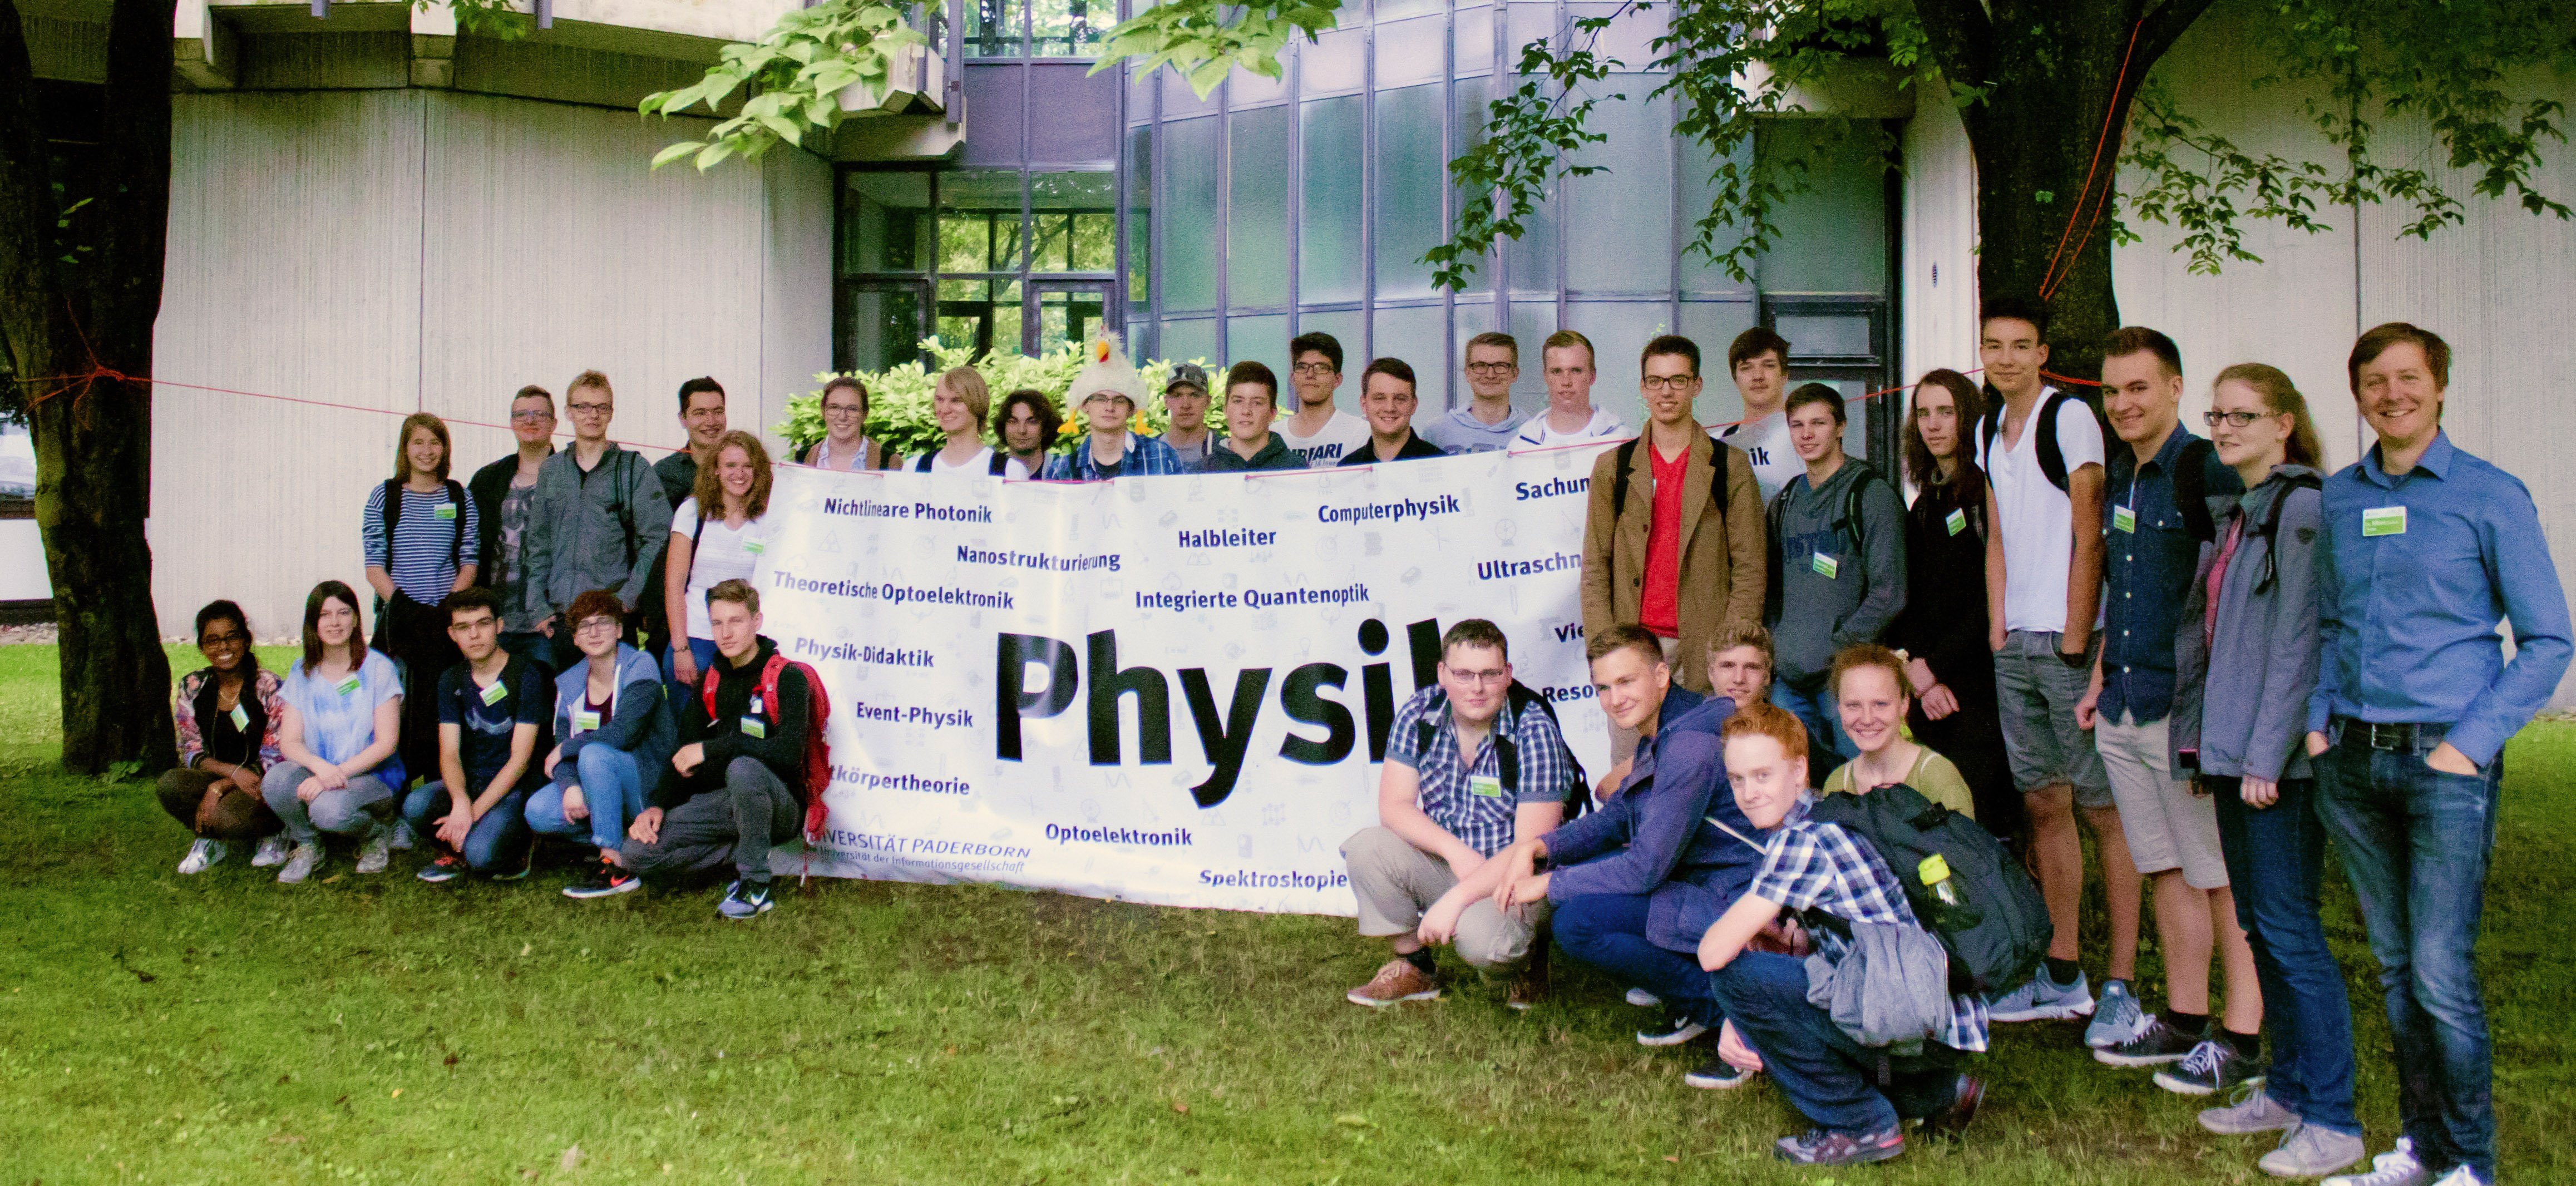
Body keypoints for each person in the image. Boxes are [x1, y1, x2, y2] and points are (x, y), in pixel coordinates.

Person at [2306, 324, 2570, 1186]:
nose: (2392, 395)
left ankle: (2470, 1165)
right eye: (2373, 381)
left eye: (2408, 378)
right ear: (2356, 395)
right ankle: (2420, 1151)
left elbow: (2547, 640)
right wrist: (2316, 722)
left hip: (2443, 764)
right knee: (2393, 968)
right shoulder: (2338, 499)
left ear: (2440, 386)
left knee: (2437, 970)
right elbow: (2329, 622)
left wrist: (2469, 746)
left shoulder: (2489, 496)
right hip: (2351, 762)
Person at [2168, 364, 2362, 1178]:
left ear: (2284, 423)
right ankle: (2286, 1090)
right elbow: (2214, 641)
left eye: (2242, 414)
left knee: (2289, 932)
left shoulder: (2302, 506)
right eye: (2216, 414)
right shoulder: (2245, 508)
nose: (2223, 427)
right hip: (2232, 755)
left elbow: (2298, 641)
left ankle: (2333, 1119)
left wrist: (2265, 755)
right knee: (2259, 929)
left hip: (2272, 766)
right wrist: (2201, 747)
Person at [2076, 327, 2262, 1075]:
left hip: (2186, 709)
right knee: (2164, 868)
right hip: (2123, 700)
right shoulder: (2122, 473)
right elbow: (2122, 589)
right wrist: (2098, 675)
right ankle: (2184, 1021)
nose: (2122, 404)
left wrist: (2221, 711)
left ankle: (2241, 1039)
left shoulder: (2208, 469)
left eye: (2138, 388)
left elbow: (2239, 596)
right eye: (2111, 391)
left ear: (2176, 387)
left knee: (2218, 874)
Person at [1697, 701, 1988, 1167]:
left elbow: (1713, 953)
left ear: (1798, 770)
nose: (1748, 793)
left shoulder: (1802, 840)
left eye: (1762, 775)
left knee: (1735, 979)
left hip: (1911, 1016)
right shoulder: (1827, 813)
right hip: (1932, 1014)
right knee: (1772, 962)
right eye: (1737, 779)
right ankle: (1938, 1092)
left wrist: (1737, 1018)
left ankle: (1858, 1125)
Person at [1487, 626, 1768, 1090]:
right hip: (1696, 885)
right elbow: (1618, 816)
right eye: (1603, 687)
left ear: (1661, 676)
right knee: (1579, 899)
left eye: (1626, 682)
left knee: (1577, 923)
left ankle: (1734, 1016)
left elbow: (1644, 868)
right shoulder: (1664, 729)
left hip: (1734, 901)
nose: (1614, 699)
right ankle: (1699, 998)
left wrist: (1549, 882)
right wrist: (1538, 848)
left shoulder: (1689, 745)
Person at [1974, 295, 2126, 1027]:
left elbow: (2090, 532)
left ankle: (2121, 982)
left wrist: (2074, 633)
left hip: (2068, 642)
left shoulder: (2068, 417)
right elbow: (1997, 535)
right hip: (2016, 643)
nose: (2005, 358)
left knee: (2103, 810)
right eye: (1993, 345)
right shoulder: (1986, 427)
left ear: (2041, 353)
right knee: (2043, 804)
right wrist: (1997, 629)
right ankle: (2063, 972)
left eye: (2020, 345)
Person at [1340, 620, 1574, 1008]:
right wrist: (1456, 853)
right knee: (1368, 849)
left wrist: (1456, 900)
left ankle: (1527, 958)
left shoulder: (1534, 729)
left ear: (1508, 674)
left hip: (1514, 878)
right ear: (1442, 674)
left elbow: (1531, 849)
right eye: (1464, 674)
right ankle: (1415, 966)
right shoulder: (1420, 712)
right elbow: (1394, 807)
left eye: (1489, 674)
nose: (1477, 687)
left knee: (1485, 945)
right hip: (1452, 863)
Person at [1580, 334, 1765, 762]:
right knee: (1632, 773)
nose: (1666, 392)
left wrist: (1731, 651)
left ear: (1697, 385)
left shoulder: (1730, 466)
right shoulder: (1614, 467)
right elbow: (1595, 567)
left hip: (1705, 645)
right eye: (1656, 381)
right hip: (1634, 647)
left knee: (1706, 767)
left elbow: (1751, 568)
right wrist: (1606, 649)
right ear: (1643, 388)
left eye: (1678, 380)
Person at [624, 579, 820, 920]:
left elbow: (788, 755)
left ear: (757, 622)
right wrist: (657, 805)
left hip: (778, 804)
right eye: (717, 623)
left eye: (736, 621)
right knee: (636, 854)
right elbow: (683, 751)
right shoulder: (712, 679)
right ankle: (746, 854)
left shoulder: (787, 677)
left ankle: (755, 885)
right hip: (726, 804)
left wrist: (713, 749)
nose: (725, 634)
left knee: (743, 767)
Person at [1888, 369, 2022, 840]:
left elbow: (1997, 595)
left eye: (1946, 412)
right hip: (1932, 690)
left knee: (1985, 822)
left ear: (1968, 418)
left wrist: (1936, 667)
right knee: (1942, 825)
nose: (1933, 424)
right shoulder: (1925, 505)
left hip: (1984, 684)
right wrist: (1918, 672)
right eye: (1924, 413)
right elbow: (1913, 601)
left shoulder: (1988, 493)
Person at [1763, 383, 1906, 774]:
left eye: (1818, 423)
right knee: (1797, 784)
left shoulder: (1869, 495)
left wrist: (1839, 646)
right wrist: (1778, 643)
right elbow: (1772, 589)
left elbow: (1890, 593)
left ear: (1841, 426)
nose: (1806, 435)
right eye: (1797, 425)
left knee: (1863, 780)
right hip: (1789, 683)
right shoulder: (1786, 501)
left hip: (1846, 680)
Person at [522, 370, 674, 674]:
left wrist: (628, 598)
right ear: (568, 412)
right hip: (564, 618)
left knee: (613, 697)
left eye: (601, 407)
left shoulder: (632, 469)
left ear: (611, 413)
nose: (593, 415)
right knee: (568, 698)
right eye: (583, 407)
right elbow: (538, 544)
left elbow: (658, 538)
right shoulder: (552, 471)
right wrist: (537, 605)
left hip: (612, 617)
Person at [526, 589, 675, 901]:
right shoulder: (569, 683)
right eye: (584, 626)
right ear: (575, 639)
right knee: (538, 811)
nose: (594, 632)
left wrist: (566, 749)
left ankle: (615, 863)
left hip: (645, 785)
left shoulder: (640, 665)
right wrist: (570, 786)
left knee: (594, 754)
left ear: (619, 630)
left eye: (604, 623)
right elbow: (561, 747)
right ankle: (621, 837)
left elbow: (624, 734)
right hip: (599, 787)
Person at [404, 587, 554, 883]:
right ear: (452, 634)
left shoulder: (525, 675)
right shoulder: (451, 679)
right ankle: (460, 838)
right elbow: (449, 753)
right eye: (463, 627)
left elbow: (520, 761)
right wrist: (461, 801)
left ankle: (521, 843)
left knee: (481, 855)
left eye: (483, 624)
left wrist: (470, 815)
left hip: (514, 788)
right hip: (471, 781)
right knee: (415, 806)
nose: (474, 635)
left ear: (499, 626)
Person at [261, 581, 406, 885]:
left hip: (373, 776)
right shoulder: (302, 671)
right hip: (322, 771)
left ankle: (376, 832)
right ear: (313, 623)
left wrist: (335, 774)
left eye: (343, 612)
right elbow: (289, 742)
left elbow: (387, 743)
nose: (335, 622)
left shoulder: (379, 668)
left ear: (356, 619)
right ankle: (309, 843)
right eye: (325, 615)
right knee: (276, 781)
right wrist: (321, 769)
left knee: (329, 810)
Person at [363, 411, 478, 790]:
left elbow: (470, 559)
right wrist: (406, 608)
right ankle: (391, 797)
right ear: (405, 448)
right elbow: (374, 565)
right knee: (395, 711)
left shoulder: (459, 496)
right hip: (401, 624)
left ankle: (437, 794)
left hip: (445, 623)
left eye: (435, 442)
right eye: (418, 443)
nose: (427, 451)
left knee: (441, 711)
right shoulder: (386, 496)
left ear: (445, 448)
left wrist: (448, 608)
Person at [160, 600, 289, 874]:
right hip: (222, 775)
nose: (224, 647)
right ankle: (210, 839)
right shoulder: (193, 686)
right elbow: (191, 750)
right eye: (213, 640)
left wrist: (220, 787)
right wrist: (229, 775)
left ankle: (277, 831)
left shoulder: (269, 686)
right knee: (170, 785)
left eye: (232, 637)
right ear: (202, 647)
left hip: (263, 781)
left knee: (229, 818)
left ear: (246, 640)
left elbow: (276, 756)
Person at [664, 431, 774, 694]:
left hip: (746, 644)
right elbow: (674, 585)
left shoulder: (769, 518)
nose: (740, 474)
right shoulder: (693, 512)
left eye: (748, 466)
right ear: (715, 469)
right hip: (697, 640)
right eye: (730, 465)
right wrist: (681, 649)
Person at [1820, 644, 1975, 818]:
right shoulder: (1838, 784)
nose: (1867, 719)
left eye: (1880, 704)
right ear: (1839, 708)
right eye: (1853, 705)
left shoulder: (1936, 777)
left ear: (1904, 704)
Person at [468, 385, 557, 664]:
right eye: (521, 414)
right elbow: (469, 545)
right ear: (511, 422)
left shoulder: (570, 478)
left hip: (547, 623)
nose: (530, 420)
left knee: (544, 689)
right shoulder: (488, 479)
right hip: (496, 623)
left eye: (539, 414)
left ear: (554, 424)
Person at [647, 376, 729, 664]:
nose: (711, 421)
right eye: (700, 413)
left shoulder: (742, 471)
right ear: (683, 419)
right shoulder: (664, 474)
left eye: (718, 411)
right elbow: (651, 544)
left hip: (731, 598)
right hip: (677, 603)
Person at [1040, 337, 1186, 480]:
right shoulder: (1062, 470)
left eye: (1119, 400)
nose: (1110, 407)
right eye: (1100, 399)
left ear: (1131, 409)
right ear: (1085, 405)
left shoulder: (1163, 457)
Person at [1716, 326, 1804, 498]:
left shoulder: (1806, 437)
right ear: (1735, 379)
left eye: (1768, 365)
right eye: (1746, 368)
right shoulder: (1717, 445)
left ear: (1785, 375)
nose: (1758, 376)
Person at [1513, 329, 1627, 448]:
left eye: (1576, 371)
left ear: (1592, 376)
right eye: (1557, 371)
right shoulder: (1520, 446)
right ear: (1545, 377)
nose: (1566, 382)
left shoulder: (1621, 441)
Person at [1421, 331, 1530, 453]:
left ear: (1515, 374)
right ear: (1468, 373)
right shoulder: (1436, 433)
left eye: (1500, 366)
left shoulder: (1534, 432)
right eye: (1481, 366)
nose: (1490, 375)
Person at [1276, 331, 1373, 467]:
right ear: (1293, 378)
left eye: (1321, 368)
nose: (1310, 374)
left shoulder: (1361, 433)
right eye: (1302, 367)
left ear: (1337, 380)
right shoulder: (1274, 436)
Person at [910, 367, 1028, 477]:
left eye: (956, 400)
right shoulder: (914, 468)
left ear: (978, 404)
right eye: (940, 399)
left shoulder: (1009, 471)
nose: (945, 410)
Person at [1338, 358, 1446, 465]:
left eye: (1400, 399)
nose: (1390, 408)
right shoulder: (1347, 467)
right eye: (1380, 398)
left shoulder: (1443, 463)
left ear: (1414, 405)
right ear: (1364, 405)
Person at [1202, 362, 1302, 472]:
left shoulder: (1296, 469)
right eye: (1238, 401)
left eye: (1257, 403)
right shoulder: (1202, 471)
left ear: (1272, 413)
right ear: (1225, 410)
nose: (1246, 411)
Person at [801, 375, 899, 471]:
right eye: (834, 408)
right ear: (824, 411)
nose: (842, 417)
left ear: (865, 414)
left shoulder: (890, 462)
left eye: (852, 409)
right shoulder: (800, 459)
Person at [1158, 363, 1218, 472]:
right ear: (1166, 402)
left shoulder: (1223, 450)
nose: (1186, 405)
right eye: (1177, 396)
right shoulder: (1148, 451)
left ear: (1208, 401)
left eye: (1195, 395)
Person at [996, 387, 1062, 477]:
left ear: (1045, 428)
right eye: (1013, 422)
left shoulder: (1062, 471)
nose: (1022, 430)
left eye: (1032, 422)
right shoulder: (991, 471)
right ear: (1003, 427)